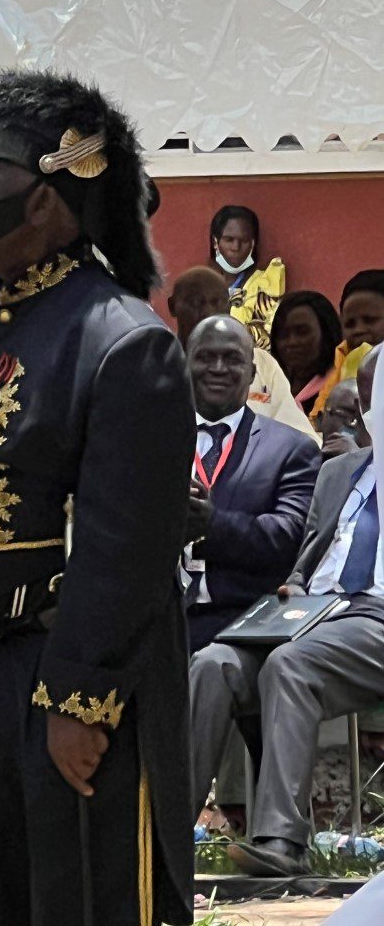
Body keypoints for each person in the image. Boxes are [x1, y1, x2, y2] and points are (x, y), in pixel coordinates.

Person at [0, 70, 196, 926]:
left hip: (78, 673)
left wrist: (76, 702)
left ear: (49, 202)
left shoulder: (125, 343)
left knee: (84, 899)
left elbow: (125, 550)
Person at [190, 345, 384, 878]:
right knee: (213, 665)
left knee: (289, 664)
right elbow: (308, 559)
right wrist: (294, 586)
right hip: (311, 615)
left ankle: (280, 840)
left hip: (376, 615)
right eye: (364, 397)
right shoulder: (340, 472)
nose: (369, 408)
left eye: (377, 395)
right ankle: (163, 839)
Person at [183, 316, 321, 653]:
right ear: (184, 365)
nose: (217, 368)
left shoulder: (291, 449)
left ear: (252, 373)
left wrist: (211, 524)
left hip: (239, 621)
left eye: (232, 359)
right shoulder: (149, 441)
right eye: (204, 357)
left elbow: (288, 538)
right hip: (151, 613)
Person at [168, 267, 319, 443]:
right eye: (195, 303)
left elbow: (301, 437)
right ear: (172, 307)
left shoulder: (261, 362)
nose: (207, 312)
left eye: (217, 302)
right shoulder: (158, 365)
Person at [311, 269, 384, 419]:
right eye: (350, 324)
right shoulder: (339, 365)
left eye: (370, 320)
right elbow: (317, 424)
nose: (358, 330)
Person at [209, 205, 284, 348]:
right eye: (229, 240)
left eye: (244, 241)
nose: (236, 247)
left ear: (253, 244)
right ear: (215, 242)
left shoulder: (266, 286)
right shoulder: (203, 285)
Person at [270, 290, 342, 415]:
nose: (291, 342)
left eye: (302, 332)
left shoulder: (340, 389)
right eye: (283, 334)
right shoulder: (268, 389)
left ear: (326, 332)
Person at [317, 379, 370, 461]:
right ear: (320, 420)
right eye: (346, 414)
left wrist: (356, 457)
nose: (354, 424)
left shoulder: (378, 468)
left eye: (362, 419)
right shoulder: (301, 459)